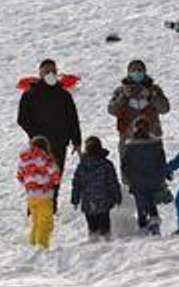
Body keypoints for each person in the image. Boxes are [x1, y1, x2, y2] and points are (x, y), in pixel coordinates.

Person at [16, 59, 81, 201]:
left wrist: (77, 141)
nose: (50, 74)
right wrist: (35, 136)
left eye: (53, 71)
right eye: (47, 71)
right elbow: (22, 119)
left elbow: (72, 119)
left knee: (55, 179)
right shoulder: (30, 95)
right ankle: (34, 214)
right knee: (37, 180)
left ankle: (51, 210)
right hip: (39, 147)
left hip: (59, 144)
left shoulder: (63, 95)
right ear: (40, 73)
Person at [106, 60, 171, 156]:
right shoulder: (121, 91)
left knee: (153, 168)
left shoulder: (154, 89)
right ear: (128, 73)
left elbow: (165, 108)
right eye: (133, 70)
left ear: (144, 72)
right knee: (129, 170)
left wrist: (151, 97)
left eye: (139, 70)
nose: (137, 72)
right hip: (128, 140)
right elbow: (111, 110)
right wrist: (123, 98)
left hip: (151, 139)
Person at [120, 116, 169, 235]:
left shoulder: (130, 146)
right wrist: (161, 177)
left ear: (135, 128)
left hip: (137, 181)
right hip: (153, 180)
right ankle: (153, 222)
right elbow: (162, 162)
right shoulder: (156, 145)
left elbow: (125, 164)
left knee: (141, 202)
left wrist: (127, 177)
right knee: (150, 201)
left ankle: (144, 224)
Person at [69, 137, 123, 241]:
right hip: (104, 201)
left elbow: (77, 184)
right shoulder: (106, 164)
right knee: (105, 225)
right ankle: (106, 241)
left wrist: (75, 199)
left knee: (92, 225)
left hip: (88, 202)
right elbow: (112, 183)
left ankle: (93, 240)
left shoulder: (82, 166)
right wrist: (117, 197)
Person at [15, 135, 61, 249]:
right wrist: (54, 181)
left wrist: (29, 183)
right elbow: (54, 174)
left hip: (31, 196)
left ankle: (33, 244)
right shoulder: (45, 158)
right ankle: (41, 246)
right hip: (44, 195)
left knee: (36, 222)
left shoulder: (23, 159)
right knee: (45, 223)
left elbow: (20, 176)